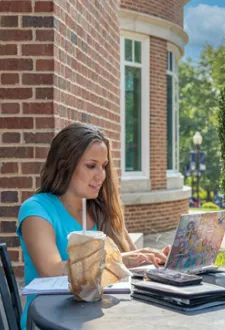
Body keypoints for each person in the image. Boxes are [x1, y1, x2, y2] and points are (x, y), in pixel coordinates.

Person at [16, 123, 170, 329]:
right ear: (64, 165)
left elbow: (130, 266)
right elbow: (51, 270)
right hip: (51, 320)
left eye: (104, 166)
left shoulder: (103, 210)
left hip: (102, 316)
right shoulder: (37, 209)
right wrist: (119, 260)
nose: (101, 175)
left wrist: (154, 261)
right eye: (91, 166)